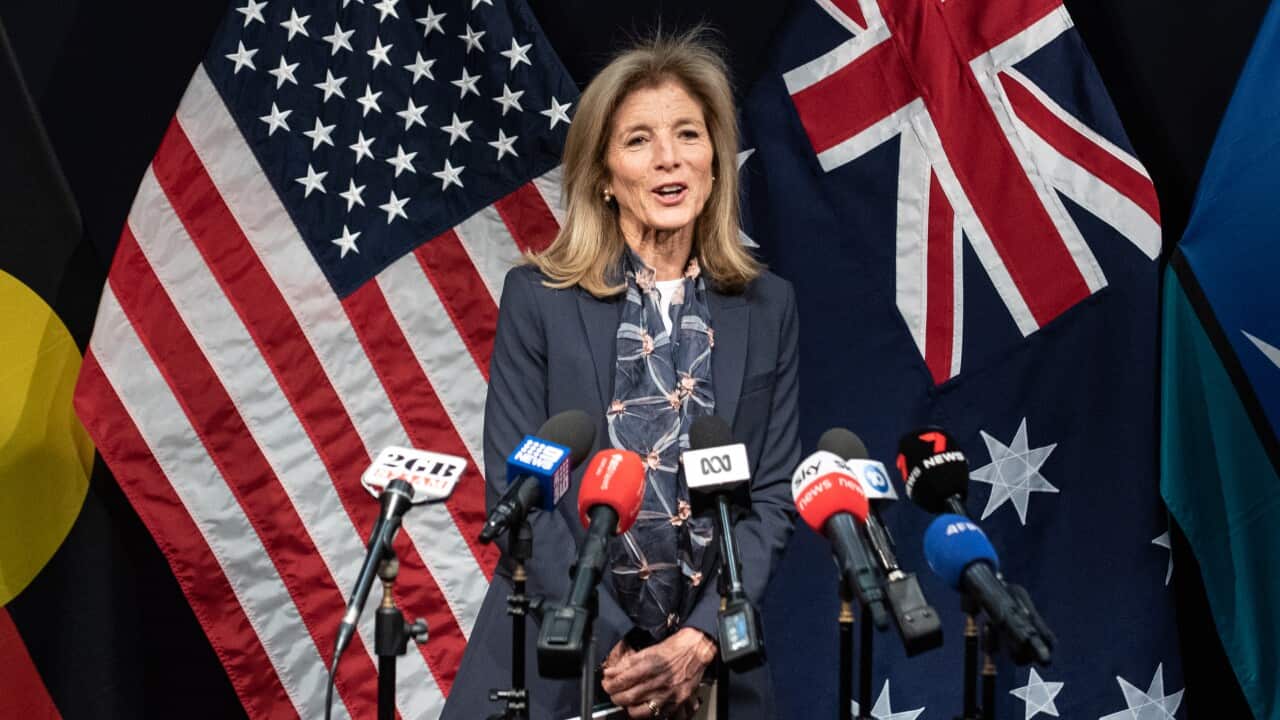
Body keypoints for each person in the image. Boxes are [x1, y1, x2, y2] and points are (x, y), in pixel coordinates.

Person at [443, 30, 799, 720]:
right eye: (638, 140)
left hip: (712, 671)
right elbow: (519, 492)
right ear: (604, 175)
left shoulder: (768, 307)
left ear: (716, 161)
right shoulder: (538, 299)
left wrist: (696, 643)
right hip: (558, 663)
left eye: (688, 134)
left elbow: (774, 497)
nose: (669, 158)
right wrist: (617, 651)